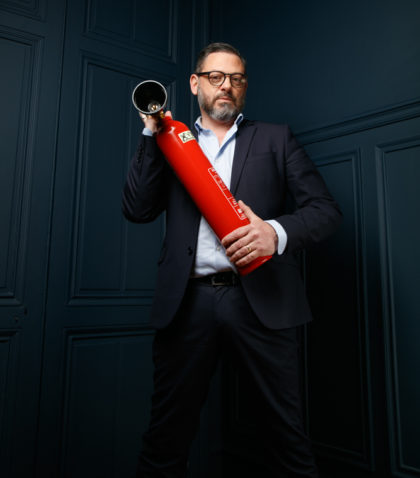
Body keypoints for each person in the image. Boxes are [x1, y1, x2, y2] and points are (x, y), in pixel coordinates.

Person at [122, 42, 342, 478]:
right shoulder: (170, 141)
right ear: (195, 83)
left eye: (236, 79)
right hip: (187, 306)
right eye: (216, 77)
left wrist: (273, 234)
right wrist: (151, 133)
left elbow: (326, 211)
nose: (227, 86)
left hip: (262, 302)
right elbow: (137, 208)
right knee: (165, 440)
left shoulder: (276, 138)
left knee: (288, 442)